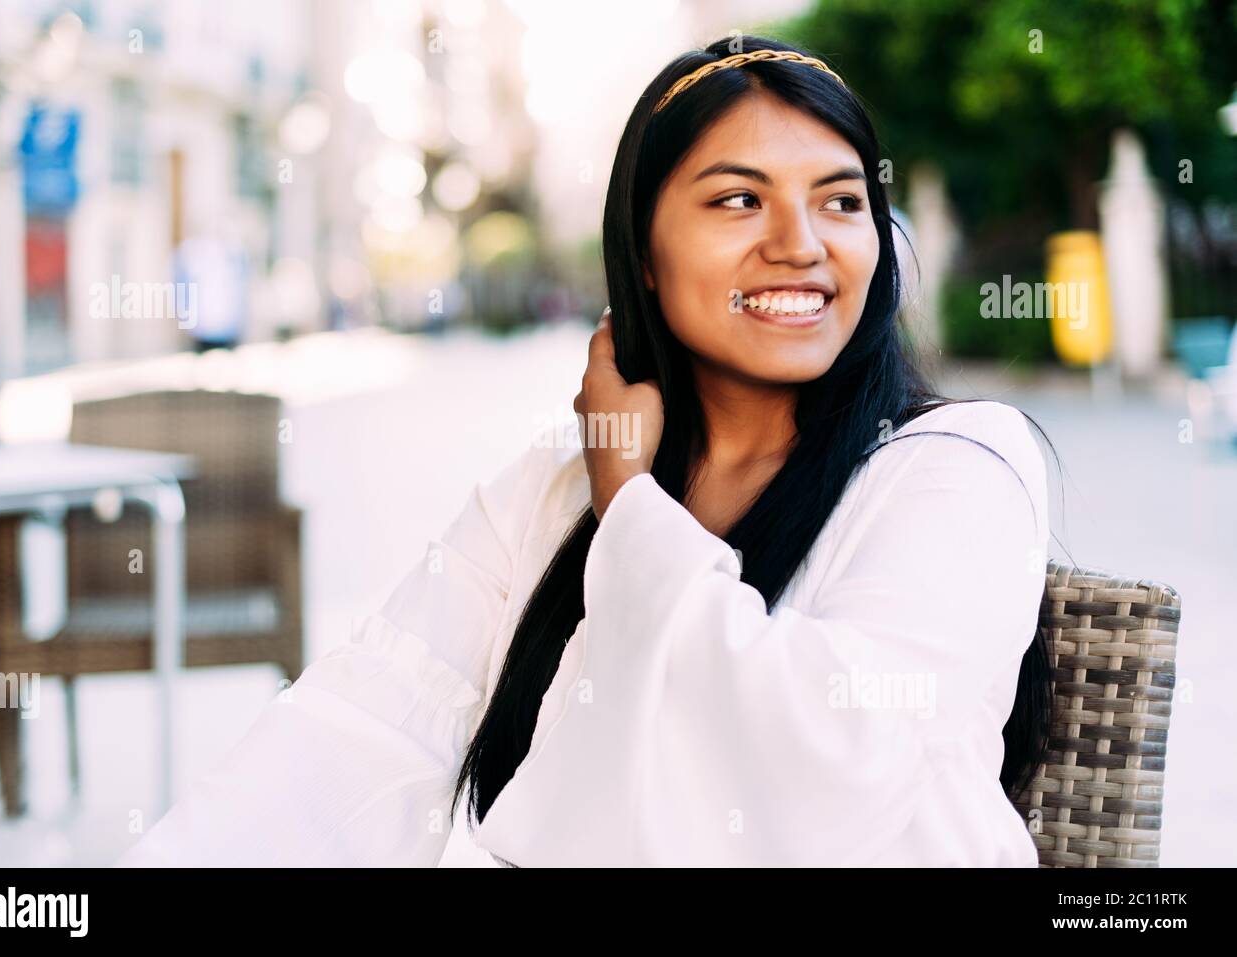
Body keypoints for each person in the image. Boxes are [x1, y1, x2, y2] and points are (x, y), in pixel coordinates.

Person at [117, 35, 1057, 867]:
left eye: (841, 201)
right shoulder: (550, 491)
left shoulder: (959, 467)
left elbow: (831, 772)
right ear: (641, 255)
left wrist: (631, 502)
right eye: (739, 199)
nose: (800, 244)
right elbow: (363, 726)